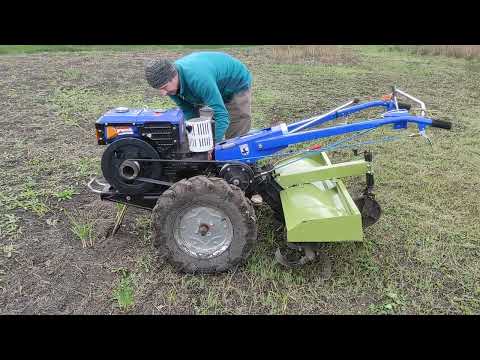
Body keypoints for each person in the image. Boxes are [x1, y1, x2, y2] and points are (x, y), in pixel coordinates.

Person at [144, 51, 253, 144]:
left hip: (234, 81)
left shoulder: (198, 79)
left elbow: (222, 115)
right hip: (212, 81)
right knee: (208, 122)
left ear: (174, 77)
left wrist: (212, 145)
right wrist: (194, 137)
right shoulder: (171, 87)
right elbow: (189, 111)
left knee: (236, 129)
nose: (163, 93)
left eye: (164, 87)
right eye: (160, 89)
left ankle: (240, 162)